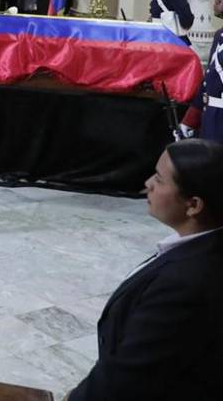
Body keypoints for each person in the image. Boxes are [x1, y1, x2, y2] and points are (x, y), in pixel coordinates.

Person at [68, 140, 223, 400]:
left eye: (160, 180)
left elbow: (131, 376)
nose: (148, 183)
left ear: (193, 205)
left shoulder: (185, 283)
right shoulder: (198, 248)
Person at [181, 0, 223, 142]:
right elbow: (208, 81)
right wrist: (189, 120)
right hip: (211, 118)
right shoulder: (219, 36)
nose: (216, 1)